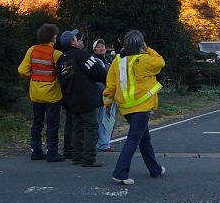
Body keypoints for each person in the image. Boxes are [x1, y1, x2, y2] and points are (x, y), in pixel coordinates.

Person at [103, 30, 165, 185]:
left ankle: (155, 169)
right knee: (133, 140)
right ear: (140, 44)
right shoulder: (145, 60)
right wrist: (148, 48)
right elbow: (160, 62)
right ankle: (120, 173)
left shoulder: (117, 61)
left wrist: (107, 104)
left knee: (144, 139)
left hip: (126, 108)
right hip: (142, 106)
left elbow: (110, 85)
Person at [57, 30, 107, 167]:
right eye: (76, 38)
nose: (78, 40)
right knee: (91, 128)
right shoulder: (81, 55)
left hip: (70, 99)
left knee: (76, 128)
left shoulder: (62, 59)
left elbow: (67, 78)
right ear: (72, 42)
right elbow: (98, 71)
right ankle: (89, 158)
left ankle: (77, 156)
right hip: (86, 98)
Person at [18, 23, 65, 162]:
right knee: (52, 123)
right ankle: (52, 151)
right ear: (52, 37)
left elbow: (22, 70)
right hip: (52, 94)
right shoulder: (56, 54)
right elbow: (65, 73)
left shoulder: (32, 50)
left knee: (37, 123)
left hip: (36, 93)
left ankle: (36, 150)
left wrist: (33, 77)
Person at [92, 38, 115, 152]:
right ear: (94, 50)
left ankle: (105, 142)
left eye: (103, 46)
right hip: (103, 94)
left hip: (110, 93)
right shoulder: (95, 61)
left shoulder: (108, 60)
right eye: (98, 46)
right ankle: (102, 144)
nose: (101, 48)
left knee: (109, 119)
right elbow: (99, 79)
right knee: (103, 119)